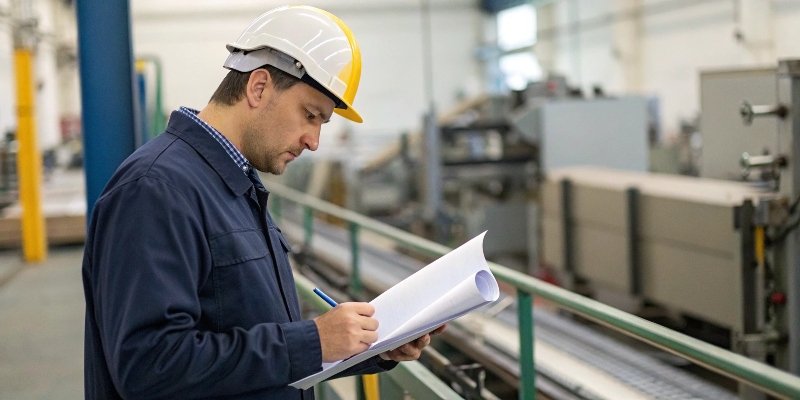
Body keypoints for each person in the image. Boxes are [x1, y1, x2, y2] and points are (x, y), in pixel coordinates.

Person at [82, 5, 442, 399]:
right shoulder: (155, 189)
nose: (313, 141)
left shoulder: (234, 184)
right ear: (258, 87)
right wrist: (314, 340)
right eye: (310, 115)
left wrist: (371, 346)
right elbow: (148, 366)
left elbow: (252, 337)